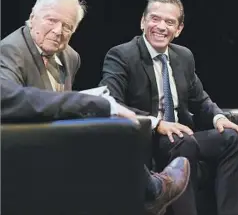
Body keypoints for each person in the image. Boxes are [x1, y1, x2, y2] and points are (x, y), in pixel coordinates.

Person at [99, 0, 238, 215]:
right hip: (146, 139)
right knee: (183, 141)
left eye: (169, 22)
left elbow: (201, 99)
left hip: (182, 135)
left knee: (234, 138)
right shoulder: (122, 55)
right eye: (155, 19)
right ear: (143, 21)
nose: (161, 27)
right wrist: (157, 123)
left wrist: (219, 118)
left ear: (178, 29)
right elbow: (110, 100)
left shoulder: (184, 56)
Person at [1, 79, 190, 215]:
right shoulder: (12, 50)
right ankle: (152, 192)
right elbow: (17, 99)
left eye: (67, 27)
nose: (58, 31)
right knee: (102, 129)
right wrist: (103, 105)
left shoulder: (69, 56)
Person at [1, 0, 84, 91]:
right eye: (51, 20)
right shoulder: (9, 52)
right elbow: (12, 101)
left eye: (66, 26)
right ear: (32, 18)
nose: (58, 31)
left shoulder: (72, 57)